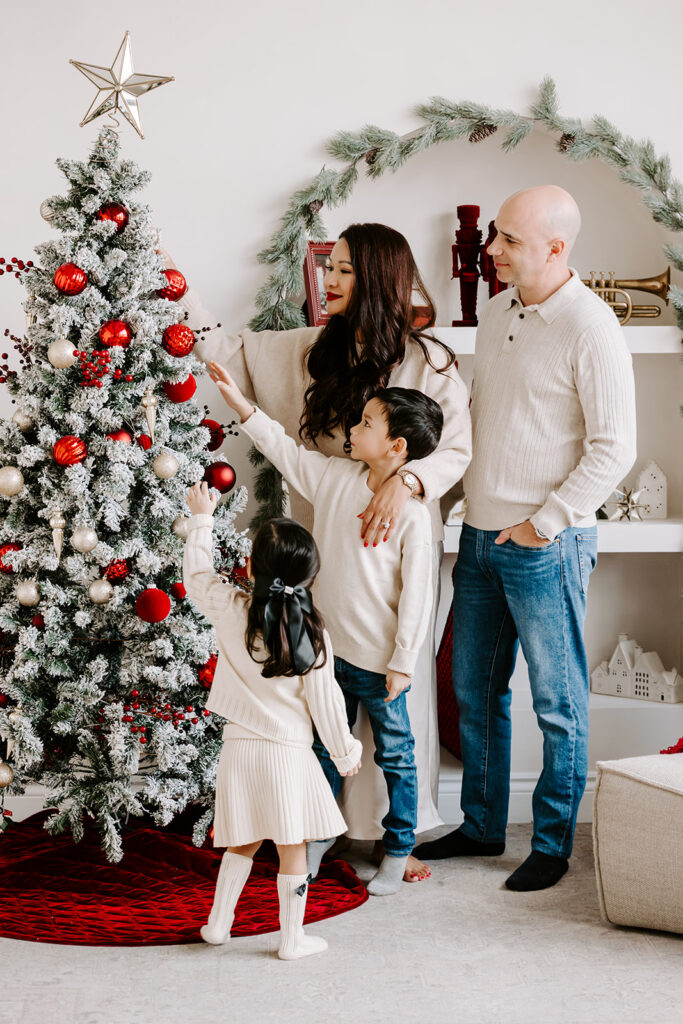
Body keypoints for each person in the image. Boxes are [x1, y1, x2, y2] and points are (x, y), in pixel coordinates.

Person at [168, 223, 471, 882]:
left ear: (379, 280)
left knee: (394, 696)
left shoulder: (431, 362)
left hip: (390, 551)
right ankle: (318, 827)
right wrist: (175, 284)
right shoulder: (310, 348)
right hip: (323, 539)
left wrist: (407, 485)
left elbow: (456, 449)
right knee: (323, 695)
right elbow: (230, 353)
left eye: (342, 271)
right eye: (327, 268)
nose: (327, 282)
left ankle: (398, 837)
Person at [415, 186, 637, 891]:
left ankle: (550, 845)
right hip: (478, 538)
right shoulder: (499, 311)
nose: (491, 249)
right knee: (473, 693)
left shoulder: (590, 326)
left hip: (544, 544)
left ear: (554, 247)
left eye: (507, 239)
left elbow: (613, 450)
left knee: (556, 700)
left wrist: (541, 524)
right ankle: (481, 826)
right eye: (495, 236)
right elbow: (488, 421)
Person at [210, 363, 442, 895]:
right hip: (325, 657)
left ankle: (398, 847)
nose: (352, 430)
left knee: (396, 758)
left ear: (397, 446)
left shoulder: (413, 517)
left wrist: (403, 662)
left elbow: (418, 596)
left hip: (381, 663)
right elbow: (284, 450)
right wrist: (241, 405)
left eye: (365, 424)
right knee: (320, 752)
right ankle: (313, 839)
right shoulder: (336, 479)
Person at [183, 489, 362, 958]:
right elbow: (328, 705)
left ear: (250, 567)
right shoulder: (314, 635)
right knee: (292, 846)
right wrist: (345, 755)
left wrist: (202, 519)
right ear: (311, 575)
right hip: (287, 753)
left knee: (240, 842)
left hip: (239, 748)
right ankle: (291, 939)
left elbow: (198, 577)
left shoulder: (230, 608)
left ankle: (218, 925)